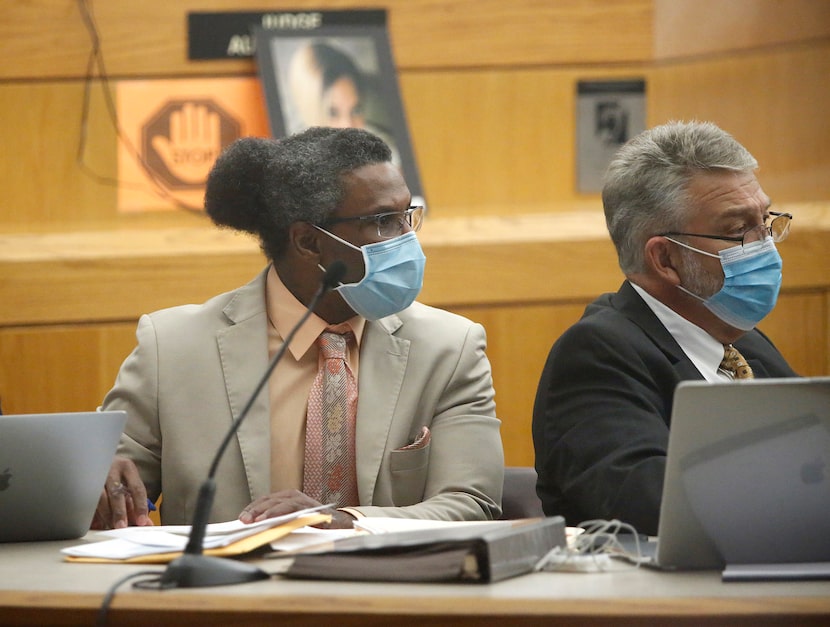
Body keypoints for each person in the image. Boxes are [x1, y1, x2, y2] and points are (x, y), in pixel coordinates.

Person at [94, 127, 503, 529]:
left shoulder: (450, 349)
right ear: (308, 241)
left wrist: (343, 521)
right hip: (226, 591)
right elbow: (110, 485)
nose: (406, 239)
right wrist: (102, 488)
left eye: (406, 216)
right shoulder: (172, 348)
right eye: (383, 221)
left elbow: (471, 504)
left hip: (389, 588)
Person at [532, 120, 798, 536]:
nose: (764, 244)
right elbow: (654, 505)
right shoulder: (599, 354)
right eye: (737, 230)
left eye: (766, 220)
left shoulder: (749, 348)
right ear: (665, 260)